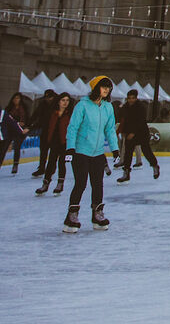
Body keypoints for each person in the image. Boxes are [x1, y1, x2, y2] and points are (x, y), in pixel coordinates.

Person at [63, 76, 119, 232]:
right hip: (81, 151)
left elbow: (109, 130)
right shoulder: (82, 105)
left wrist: (115, 149)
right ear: (96, 88)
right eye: (103, 87)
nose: (107, 90)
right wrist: (70, 148)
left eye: (109, 87)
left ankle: (97, 214)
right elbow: (73, 127)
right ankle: (71, 216)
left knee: (98, 184)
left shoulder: (108, 107)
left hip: (98, 152)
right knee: (80, 183)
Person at [116, 89, 160, 182]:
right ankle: (126, 173)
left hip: (141, 133)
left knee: (146, 151)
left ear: (136, 98)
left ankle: (155, 165)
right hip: (129, 133)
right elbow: (124, 119)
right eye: (129, 98)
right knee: (128, 153)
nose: (131, 100)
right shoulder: (125, 107)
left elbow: (140, 121)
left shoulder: (141, 107)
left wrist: (133, 132)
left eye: (133, 98)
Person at [35, 93, 75, 196]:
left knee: (62, 163)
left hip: (65, 142)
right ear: (58, 101)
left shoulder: (71, 114)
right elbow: (45, 125)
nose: (65, 102)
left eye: (67, 100)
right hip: (54, 141)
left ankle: (60, 184)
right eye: (63, 100)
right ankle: (45, 184)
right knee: (51, 163)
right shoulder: (52, 113)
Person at [29, 90, 58, 178]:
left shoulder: (57, 104)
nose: (48, 99)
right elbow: (36, 114)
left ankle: (52, 167)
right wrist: (29, 124)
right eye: (46, 97)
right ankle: (41, 168)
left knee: (53, 151)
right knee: (43, 150)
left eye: (50, 97)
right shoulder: (43, 104)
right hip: (45, 130)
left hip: (55, 132)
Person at [4, 93, 31, 175]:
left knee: (17, 147)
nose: (16, 100)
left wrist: (26, 126)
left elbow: (27, 119)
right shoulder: (9, 108)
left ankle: (15, 165)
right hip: (10, 130)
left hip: (20, 131)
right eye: (15, 98)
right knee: (4, 146)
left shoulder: (24, 108)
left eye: (18, 98)